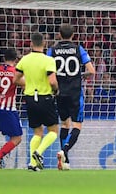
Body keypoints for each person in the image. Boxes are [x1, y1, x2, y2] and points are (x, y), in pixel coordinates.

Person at [47, 24, 95, 170]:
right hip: (75, 92)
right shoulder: (78, 49)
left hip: (59, 93)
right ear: (73, 35)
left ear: (59, 35)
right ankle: (65, 151)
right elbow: (91, 71)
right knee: (77, 125)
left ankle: (64, 160)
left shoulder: (52, 50)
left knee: (65, 124)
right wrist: (79, 75)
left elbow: (48, 71)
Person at [13, 33, 59, 171]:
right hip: (45, 97)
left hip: (30, 98)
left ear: (31, 44)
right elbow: (52, 81)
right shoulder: (48, 60)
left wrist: (27, 84)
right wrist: (56, 90)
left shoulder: (24, 60)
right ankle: (38, 152)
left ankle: (33, 164)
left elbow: (15, 79)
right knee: (53, 131)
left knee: (37, 132)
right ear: (44, 44)